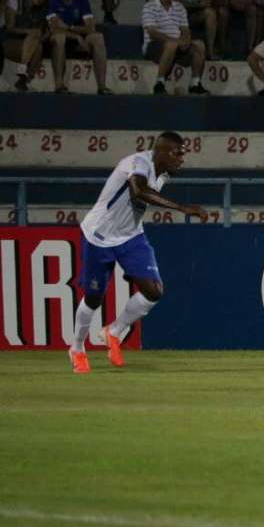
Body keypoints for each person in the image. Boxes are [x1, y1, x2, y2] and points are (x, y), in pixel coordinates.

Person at [69, 132, 210, 374]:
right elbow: (139, 191)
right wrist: (182, 207)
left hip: (131, 236)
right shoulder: (137, 163)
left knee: (154, 290)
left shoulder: (161, 173)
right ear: (163, 151)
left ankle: (113, 331)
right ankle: (77, 348)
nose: (182, 159)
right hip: (99, 236)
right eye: (179, 153)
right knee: (93, 297)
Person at [143, 0, 210, 95]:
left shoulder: (179, 7)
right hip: (154, 46)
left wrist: (187, 41)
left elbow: (185, 30)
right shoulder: (150, 6)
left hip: (177, 45)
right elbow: (152, 33)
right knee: (171, 45)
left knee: (199, 45)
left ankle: (195, 83)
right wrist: (176, 41)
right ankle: (160, 83)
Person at [46, 0, 110, 94]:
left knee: (98, 37)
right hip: (59, 42)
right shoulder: (52, 0)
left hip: (78, 39)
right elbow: (54, 28)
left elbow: (90, 27)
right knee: (59, 37)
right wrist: (76, 36)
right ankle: (59, 85)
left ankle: (102, 86)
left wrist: (70, 27)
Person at [3, 0, 48, 92]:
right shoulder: (15, 1)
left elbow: (40, 34)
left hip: (27, 47)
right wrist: (27, 31)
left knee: (39, 46)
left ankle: (23, 81)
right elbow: (9, 28)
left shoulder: (38, 11)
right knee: (34, 35)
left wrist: (44, 35)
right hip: (8, 43)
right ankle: (23, 72)